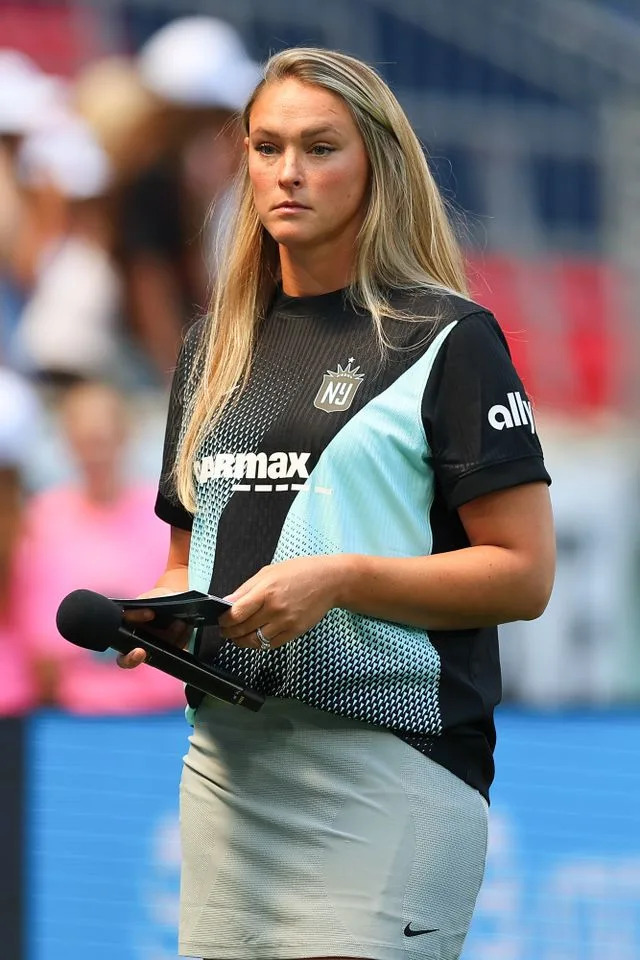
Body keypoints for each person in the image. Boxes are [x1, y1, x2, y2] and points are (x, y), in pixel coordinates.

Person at [118, 47, 556, 960]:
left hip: (391, 771)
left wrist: (340, 578)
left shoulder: (450, 339)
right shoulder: (212, 348)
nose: (288, 172)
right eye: (267, 146)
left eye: (320, 148)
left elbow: (524, 574)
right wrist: (162, 620)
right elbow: (186, 559)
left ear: (377, 166)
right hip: (226, 775)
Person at [21, 380, 184, 713]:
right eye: (83, 441)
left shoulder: (161, 516)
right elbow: (38, 633)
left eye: (102, 440)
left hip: (157, 707)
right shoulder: (43, 517)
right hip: (70, 709)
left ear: (124, 436)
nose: (94, 453)